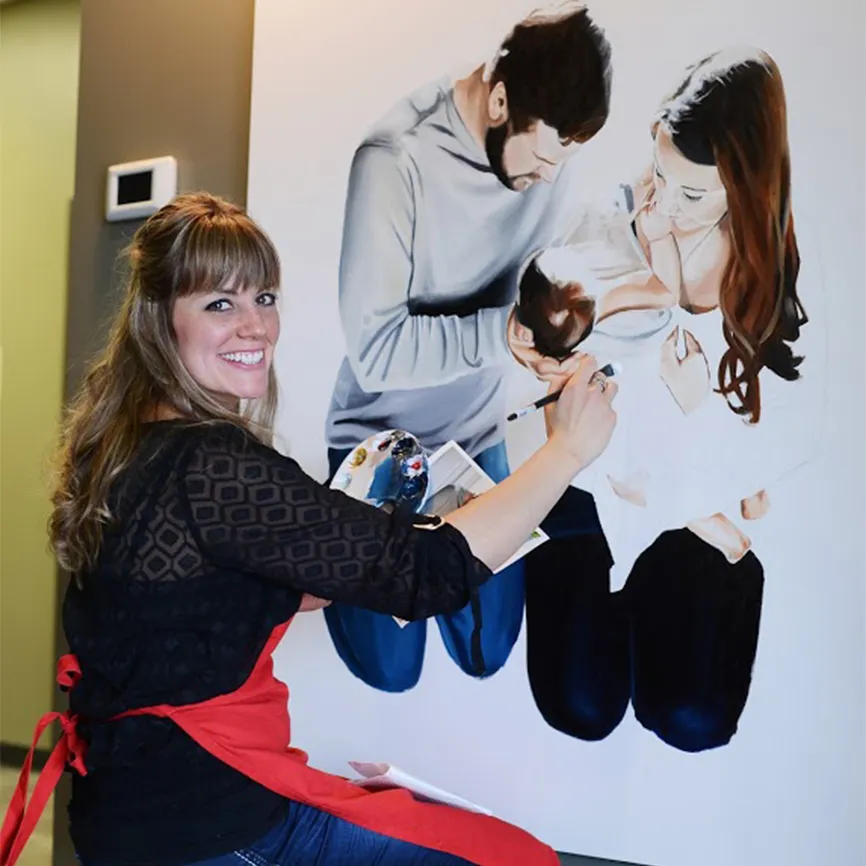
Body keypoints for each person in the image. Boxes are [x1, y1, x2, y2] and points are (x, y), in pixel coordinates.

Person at [0, 193, 619, 866]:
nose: (255, 327)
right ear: (159, 320)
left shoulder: (125, 448)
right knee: (514, 857)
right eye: (219, 304)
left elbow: (194, 604)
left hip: (126, 815)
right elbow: (430, 575)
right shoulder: (213, 464)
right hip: (212, 827)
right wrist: (565, 451)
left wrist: (333, 559)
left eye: (265, 298)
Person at [516, 47, 821, 752]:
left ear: (746, 187)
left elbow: (779, 436)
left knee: (693, 717)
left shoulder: (778, 274)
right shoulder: (611, 226)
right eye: (659, 174)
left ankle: (695, 537)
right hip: (609, 478)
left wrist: (700, 420)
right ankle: (691, 530)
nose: (664, 204)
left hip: (688, 489)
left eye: (692, 195)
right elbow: (568, 365)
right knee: (577, 707)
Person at [323, 1, 614, 693]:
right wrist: (505, 336)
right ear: (501, 98)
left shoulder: (550, 148)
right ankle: (317, 534)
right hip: (379, 438)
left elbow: (544, 268)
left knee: (486, 654)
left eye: (565, 159)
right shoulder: (396, 157)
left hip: (475, 436)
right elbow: (376, 351)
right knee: (388, 673)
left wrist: (557, 342)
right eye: (543, 156)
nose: (550, 175)